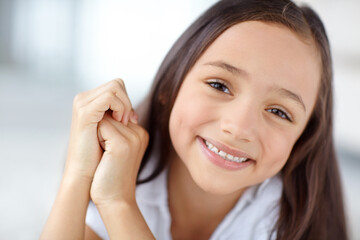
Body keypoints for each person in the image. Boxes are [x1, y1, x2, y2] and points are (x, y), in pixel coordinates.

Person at [40, 0, 348, 239]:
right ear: (170, 87)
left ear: (303, 138)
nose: (238, 127)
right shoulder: (127, 171)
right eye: (219, 85)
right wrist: (78, 173)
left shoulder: (286, 221)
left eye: (279, 112)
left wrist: (119, 205)